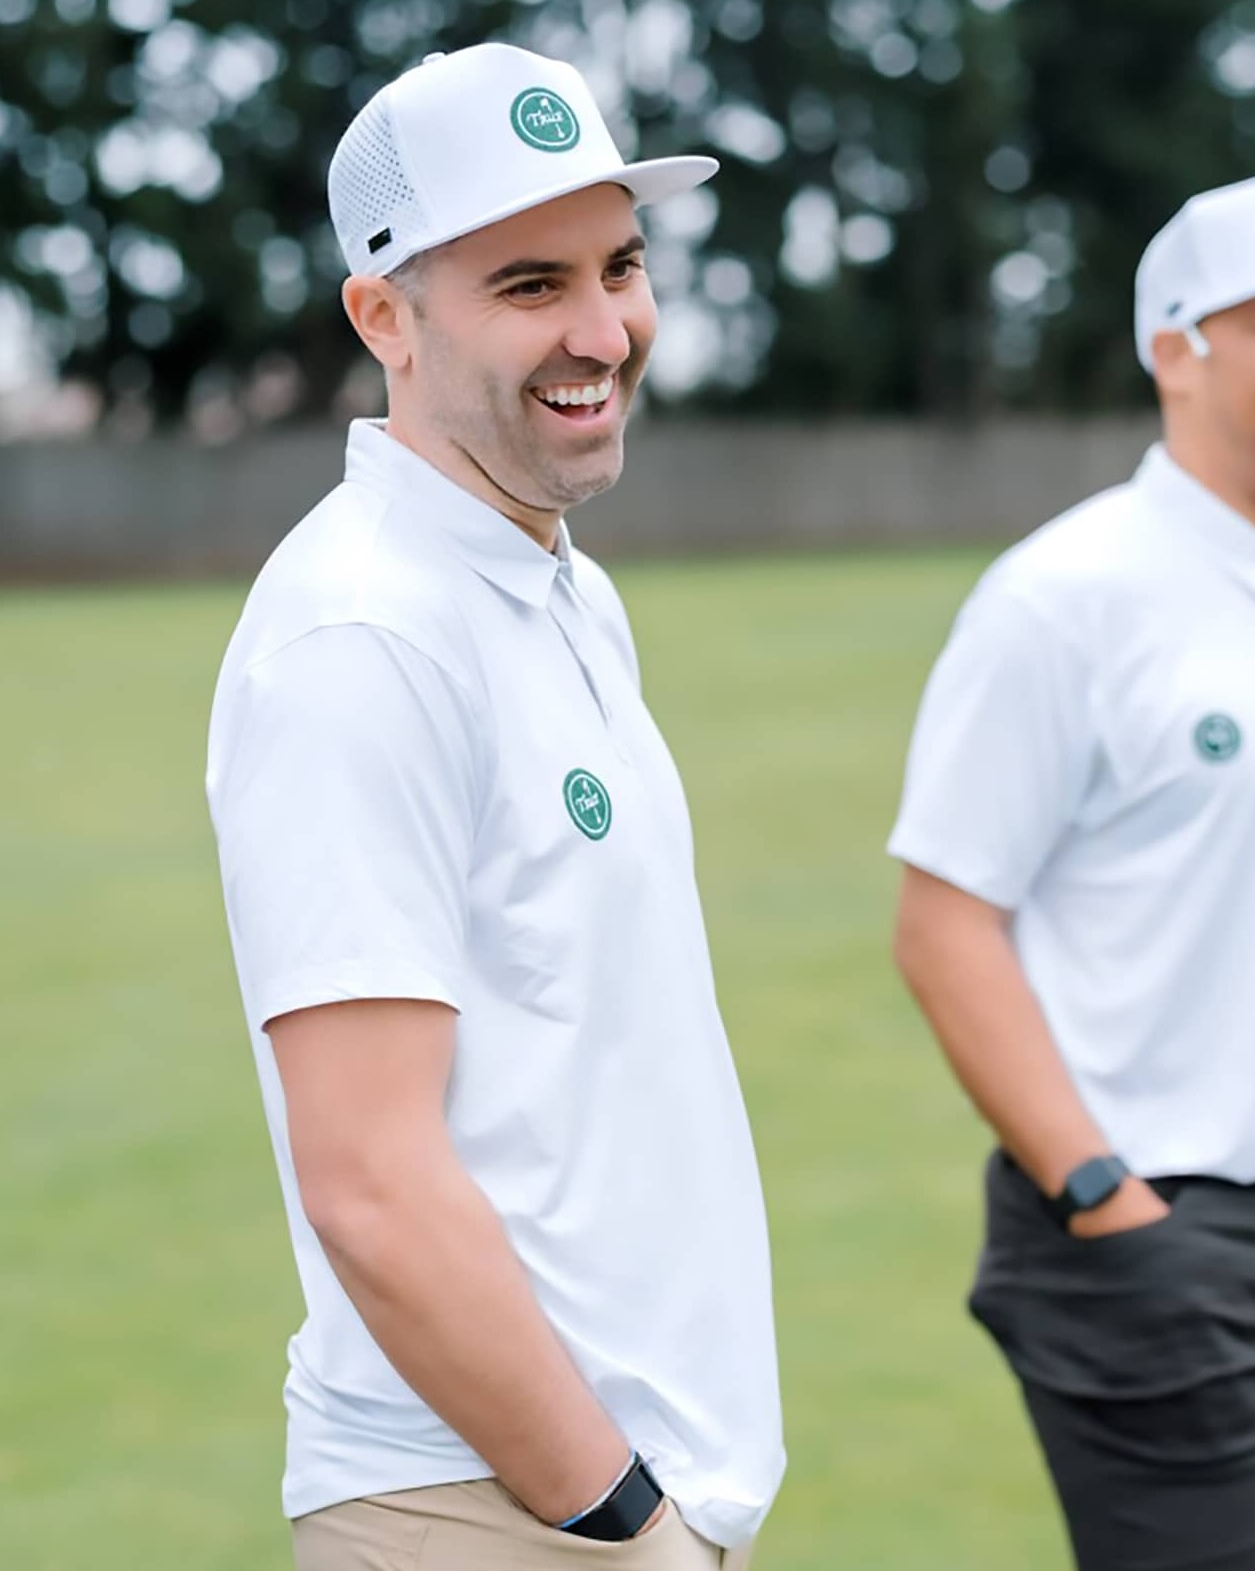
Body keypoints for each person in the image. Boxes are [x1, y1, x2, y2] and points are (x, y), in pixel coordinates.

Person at [205, 43, 782, 1571]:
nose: (604, 330)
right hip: (488, 1507)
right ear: (383, 317)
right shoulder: (361, 635)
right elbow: (372, 1181)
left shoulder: (557, 590)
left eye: (621, 266)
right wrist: (618, 1516)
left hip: (602, 1489)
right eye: (530, 285)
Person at [888, 173, 1255, 1571]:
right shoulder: (1062, 599)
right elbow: (944, 922)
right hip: (1151, 1247)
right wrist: (1105, 1208)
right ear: (1173, 349)